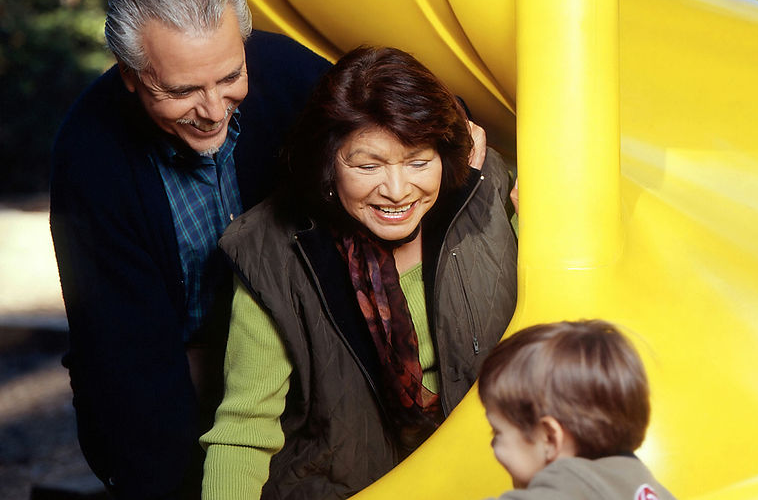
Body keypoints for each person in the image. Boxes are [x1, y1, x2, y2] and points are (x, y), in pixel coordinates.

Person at [48, 0, 332, 499]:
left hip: (292, 369)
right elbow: (127, 364)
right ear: (131, 75)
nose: (213, 110)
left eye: (230, 78)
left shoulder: (282, 67)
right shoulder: (88, 156)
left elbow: (385, 114)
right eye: (182, 92)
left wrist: (455, 131)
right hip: (169, 385)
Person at [200, 46, 517, 499]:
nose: (397, 191)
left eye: (418, 161)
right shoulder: (274, 253)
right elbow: (244, 430)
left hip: (486, 480)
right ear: (328, 163)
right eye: (368, 165)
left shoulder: (486, 199)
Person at [477, 320, 677, 500]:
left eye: (497, 432)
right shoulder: (650, 488)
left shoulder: (575, 482)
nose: (492, 445)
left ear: (549, 438)